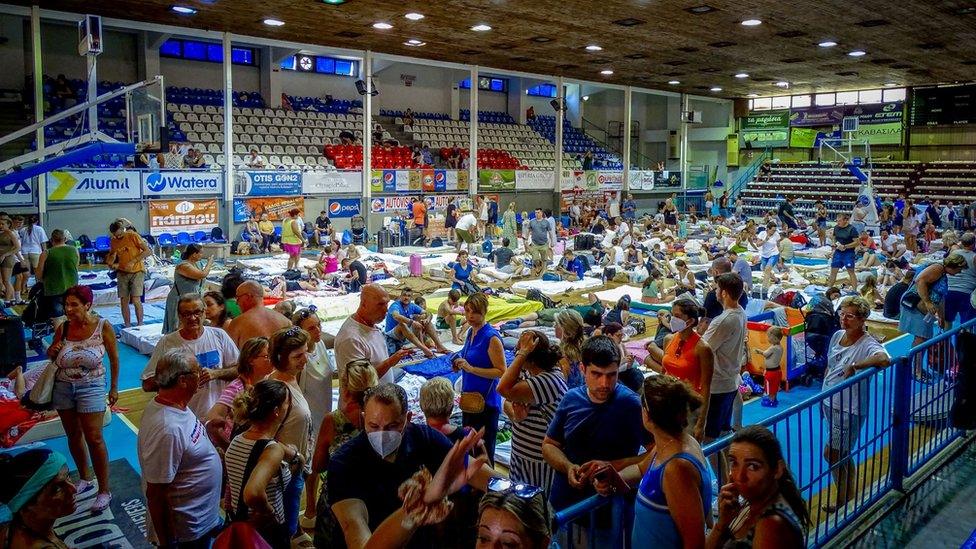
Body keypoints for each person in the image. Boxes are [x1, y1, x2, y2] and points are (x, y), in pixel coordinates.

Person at [326, 383, 494, 548]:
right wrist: (420, 505)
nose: (382, 435)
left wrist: (514, 491)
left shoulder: (424, 438)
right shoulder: (344, 463)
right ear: (363, 419)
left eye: (392, 426)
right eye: (374, 426)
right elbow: (357, 537)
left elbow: (474, 471)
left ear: (407, 419)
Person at [592, 375, 710, 549]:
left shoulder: (676, 469)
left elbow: (695, 543)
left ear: (647, 415)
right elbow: (640, 469)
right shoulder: (669, 444)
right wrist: (613, 476)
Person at [542, 335, 651, 519]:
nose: (604, 384)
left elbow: (657, 451)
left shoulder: (630, 404)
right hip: (565, 507)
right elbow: (549, 445)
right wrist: (568, 466)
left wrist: (614, 467)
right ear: (583, 369)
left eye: (611, 375)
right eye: (596, 374)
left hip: (611, 513)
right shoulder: (571, 399)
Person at [139, 349, 223, 547]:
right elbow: (156, 494)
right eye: (197, 371)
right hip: (187, 532)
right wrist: (169, 543)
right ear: (183, 380)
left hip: (200, 519)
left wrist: (206, 429)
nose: (202, 373)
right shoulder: (167, 428)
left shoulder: (175, 405)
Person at [47, 285, 118, 512]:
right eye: (66, 305)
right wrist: (53, 350)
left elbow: (115, 359)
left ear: (88, 305)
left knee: (94, 437)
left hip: (92, 386)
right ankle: (86, 478)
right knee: (73, 435)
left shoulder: (102, 326)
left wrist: (114, 388)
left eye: (74, 305)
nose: (68, 309)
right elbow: (52, 355)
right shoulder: (64, 327)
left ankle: (104, 490)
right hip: (64, 386)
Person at [821, 296, 891, 512]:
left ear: (862, 320)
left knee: (832, 454)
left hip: (848, 409)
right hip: (830, 403)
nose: (844, 319)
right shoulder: (837, 335)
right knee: (841, 454)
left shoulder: (868, 343)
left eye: (850, 316)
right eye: (842, 314)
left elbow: (884, 359)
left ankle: (845, 499)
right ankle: (847, 497)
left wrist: (855, 366)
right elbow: (830, 365)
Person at [224, 379, 303, 548]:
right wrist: (268, 512)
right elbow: (253, 492)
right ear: (276, 411)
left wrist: (292, 453)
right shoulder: (272, 450)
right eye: (287, 403)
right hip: (267, 532)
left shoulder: (238, 439)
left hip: (242, 525)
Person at [307, 359, 378, 542]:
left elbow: (318, 465)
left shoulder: (334, 421)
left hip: (337, 500)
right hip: (374, 496)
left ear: (345, 389)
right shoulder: (382, 420)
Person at [707, 425, 809, 548]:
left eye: (753, 466)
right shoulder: (753, 504)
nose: (740, 476)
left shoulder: (771, 526)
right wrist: (721, 524)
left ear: (777, 470)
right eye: (734, 463)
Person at [142, 294, 240, 418]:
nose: (193, 318)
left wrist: (216, 374)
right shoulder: (167, 343)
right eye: (187, 314)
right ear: (179, 316)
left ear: (205, 312)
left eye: (197, 312)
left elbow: (239, 370)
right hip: (182, 418)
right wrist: (179, 381)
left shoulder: (219, 336)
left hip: (216, 417)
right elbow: (147, 384)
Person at [498, 330, 569, 493]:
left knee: (535, 507)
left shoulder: (548, 381)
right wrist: (516, 416)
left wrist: (522, 352)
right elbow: (506, 402)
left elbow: (502, 388)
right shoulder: (526, 372)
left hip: (540, 463)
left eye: (520, 349)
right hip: (521, 455)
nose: (516, 353)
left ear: (530, 356)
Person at [267, 326, 314, 542]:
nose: (305, 359)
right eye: (298, 356)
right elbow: (265, 435)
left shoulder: (292, 377)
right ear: (280, 357)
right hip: (285, 471)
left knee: (289, 521)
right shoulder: (277, 391)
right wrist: (295, 457)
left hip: (296, 466)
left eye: (306, 352)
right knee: (283, 528)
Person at [644, 298, 714, 436]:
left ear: (690, 321)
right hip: (669, 402)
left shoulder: (703, 348)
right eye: (672, 315)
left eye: (677, 316)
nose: (672, 319)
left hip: (690, 406)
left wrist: (701, 422)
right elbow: (665, 371)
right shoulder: (668, 339)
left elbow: (706, 387)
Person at [451, 292, 507, 463]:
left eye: (475, 312)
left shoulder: (491, 338)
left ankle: (487, 485)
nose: (470, 316)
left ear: (484, 312)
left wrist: (472, 369)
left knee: (484, 449)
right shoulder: (470, 333)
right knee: (470, 445)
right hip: (470, 398)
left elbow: (501, 371)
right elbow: (466, 356)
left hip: (486, 401)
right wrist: (458, 361)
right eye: (467, 311)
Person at [701, 273, 746, 482]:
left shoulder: (722, 321)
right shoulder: (740, 312)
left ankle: (724, 486)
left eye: (717, 288)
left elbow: (703, 350)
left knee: (709, 440)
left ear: (724, 293)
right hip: (730, 380)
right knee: (724, 433)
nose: (715, 292)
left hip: (718, 385)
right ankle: (733, 481)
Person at [899, 254, 967, 381]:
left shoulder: (942, 273)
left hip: (924, 309)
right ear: (954, 266)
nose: (960, 272)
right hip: (916, 306)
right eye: (960, 269)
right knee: (921, 337)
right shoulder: (937, 268)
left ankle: (916, 367)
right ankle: (916, 370)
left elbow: (941, 297)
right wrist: (927, 302)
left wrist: (941, 315)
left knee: (923, 337)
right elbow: (920, 281)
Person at [204, 336, 274, 451]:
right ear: (251, 360)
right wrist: (227, 445)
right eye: (267, 356)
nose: (272, 359)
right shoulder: (237, 387)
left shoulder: (268, 380)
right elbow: (212, 417)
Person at [334, 283, 414, 384]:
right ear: (364, 304)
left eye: (387, 304)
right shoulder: (351, 339)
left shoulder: (369, 323)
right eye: (380, 304)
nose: (386, 310)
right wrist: (390, 362)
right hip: (366, 399)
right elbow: (360, 382)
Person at [0, 449, 76, 549]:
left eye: (68, 476)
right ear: (27, 505)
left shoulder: (8, 531)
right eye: (57, 489)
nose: (74, 489)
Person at [105, 220, 150, 327]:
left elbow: (148, 251)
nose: (118, 237)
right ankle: (127, 325)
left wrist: (133, 261)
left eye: (120, 234)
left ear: (122, 229)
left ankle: (140, 324)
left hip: (137, 271)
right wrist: (110, 262)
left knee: (135, 299)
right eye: (116, 235)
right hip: (122, 272)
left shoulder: (133, 236)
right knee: (124, 300)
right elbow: (112, 254)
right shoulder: (114, 241)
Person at [162, 245, 214, 334]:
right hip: (179, 299)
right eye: (200, 253)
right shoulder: (183, 266)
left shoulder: (198, 264)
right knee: (178, 326)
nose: (202, 255)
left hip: (193, 299)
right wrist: (210, 262)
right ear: (194, 254)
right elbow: (202, 274)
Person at [226, 280, 292, 348]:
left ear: (248, 296)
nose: (237, 303)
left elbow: (229, 355)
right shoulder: (286, 321)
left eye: (238, 298)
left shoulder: (238, 323)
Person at [385, 289, 449, 358]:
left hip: (406, 333)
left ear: (411, 298)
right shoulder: (395, 305)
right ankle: (424, 349)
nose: (406, 297)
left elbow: (428, 313)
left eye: (408, 296)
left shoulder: (412, 306)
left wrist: (427, 319)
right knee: (402, 324)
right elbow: (396, 316)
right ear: (400, 297)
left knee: (426, 322)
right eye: (404, 295)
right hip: (393, 334)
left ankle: (439, 346)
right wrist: (412, 322)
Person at [34, 229, 78, 320]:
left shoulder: (46, 253)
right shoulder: (74, 250)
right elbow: (76, 267)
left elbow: (39, 274)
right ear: (65, 239)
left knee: (57, 316)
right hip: (72, 287)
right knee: (72, 313)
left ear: (51, 240)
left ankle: (60, 333)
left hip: (54, 288)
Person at [701, 257, 749, 333]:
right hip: (737, 330)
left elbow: (705, 321)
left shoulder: (713, 296)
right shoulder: (741, 292)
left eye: (718, 290)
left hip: (718, 333)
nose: (717, 291)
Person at [946, 232, 976, 324]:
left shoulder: (953, 253)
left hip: (949, 290)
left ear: (961, 243)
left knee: (947, 320)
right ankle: (965, 337)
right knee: (967, 323)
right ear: (974, 244)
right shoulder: (974, 257)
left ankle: (946, 337)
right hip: (966, 292)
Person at [827, 213, 859, 290]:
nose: (838, 223)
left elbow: (857, 242)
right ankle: (829, 288)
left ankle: (855, 290)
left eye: (840, 221)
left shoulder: (852, 229)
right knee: (833, 271)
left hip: (848, 252)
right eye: (837, 221)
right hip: (838, 252)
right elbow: (834, 237)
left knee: (850, 271)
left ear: (845, 220)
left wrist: (845, 246)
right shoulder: (836, 228)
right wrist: (834, 245)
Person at [755, 326, 785, 407]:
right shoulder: (780, 347)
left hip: (771, 372)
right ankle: (774, 399)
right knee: (775, 386)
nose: (768, 339)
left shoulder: (774, 348)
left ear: (775, 338)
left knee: (770, 387)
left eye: (769, 337)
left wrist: (759, 351)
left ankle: (771, 401)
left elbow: (765, 354)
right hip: (777, 370)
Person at [0, 216, 20, 304]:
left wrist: (5, 254)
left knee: (6, 280)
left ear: (8, 224)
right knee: (3, 280)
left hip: (8, 258)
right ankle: (12, 298)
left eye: (2, 224)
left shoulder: (11, 233)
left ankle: (7, 301)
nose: (1, 226)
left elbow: (17, 247)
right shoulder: (1, 233)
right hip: (1, 257)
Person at [525, 208, 551, 276]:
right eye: (536, 212)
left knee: (544, 259)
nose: (537, 214)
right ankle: (539, 267)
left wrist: (552, 241)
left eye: (538, 212)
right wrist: (526, 239)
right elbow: (528, 230)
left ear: (541, 213)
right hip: (535, 244)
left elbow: (550, 232)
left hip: (544, 243)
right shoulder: (532, 221)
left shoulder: (546, 222)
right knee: (535, 259)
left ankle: (544, 272)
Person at [756, 223, 781, 293]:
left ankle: (764, 288)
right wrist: (765, 240)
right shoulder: (762, 234)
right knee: (765, 270)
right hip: (765, 254)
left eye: (775, 230)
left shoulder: (776, 235)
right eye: (773, 230)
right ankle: (776, 280)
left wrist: (780, 259)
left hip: (774, 253)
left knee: (767, 269)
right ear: (768, 229)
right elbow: (757, 244)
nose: (774, 232)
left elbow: (778, 246)